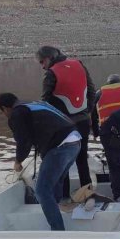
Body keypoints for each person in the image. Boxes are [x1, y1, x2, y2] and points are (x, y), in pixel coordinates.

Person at [0, 92, 81, 231]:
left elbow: (23, 141)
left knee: (42, 191)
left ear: (5, 108)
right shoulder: (33, 104)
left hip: (61, 146)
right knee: (56, 182)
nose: (5, 115)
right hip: (75, 141)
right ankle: (57, 211)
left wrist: (18, 161)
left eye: (3, 112)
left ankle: (58, 230)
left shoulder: (17, 113)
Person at [37, 46, 96, 198]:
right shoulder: (79, 64)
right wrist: (87, 111)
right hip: (83, 121)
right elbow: (91, 90)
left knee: (63, 163)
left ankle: (64, 198)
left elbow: (45, 102)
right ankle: (88, 194)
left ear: (49, 57)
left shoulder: (51, 73)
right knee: (82, 160)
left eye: (42, 62)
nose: (42, 66)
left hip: (63, 127)